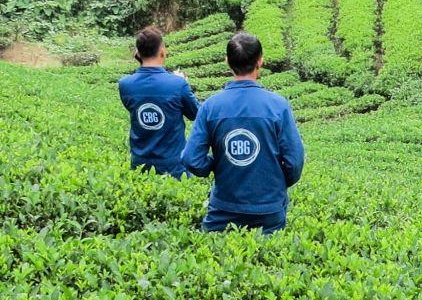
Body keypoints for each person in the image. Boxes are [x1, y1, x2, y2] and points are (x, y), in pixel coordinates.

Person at [182, 31, 306, 233]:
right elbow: (295, 162)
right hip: (269, 210)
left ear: (227, 62)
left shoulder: (211, 106)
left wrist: (215, 165)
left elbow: (191, 159)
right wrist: (274, 183)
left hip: (223, 209)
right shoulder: (278, 106)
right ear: (260, 62)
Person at [118, 26, 200, 177]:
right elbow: (196, 114)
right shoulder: (177, 84)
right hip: (173, 168)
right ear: (162, 50)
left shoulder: (125, 85)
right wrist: (183, 84)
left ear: (138, 52)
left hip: (140, 166)